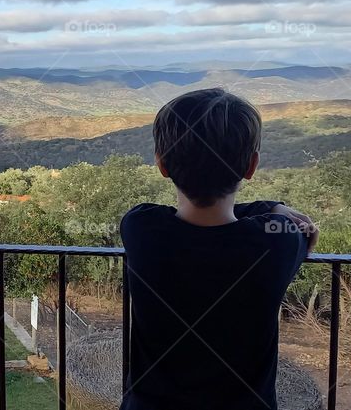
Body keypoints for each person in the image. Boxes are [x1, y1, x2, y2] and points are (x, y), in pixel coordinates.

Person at [120, 88, 318, 410]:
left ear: (161, 164)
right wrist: (273, 207)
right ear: (251, 167)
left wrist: (269, 209)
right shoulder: (276, 241)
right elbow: (297, 228)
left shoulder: (141, 227)